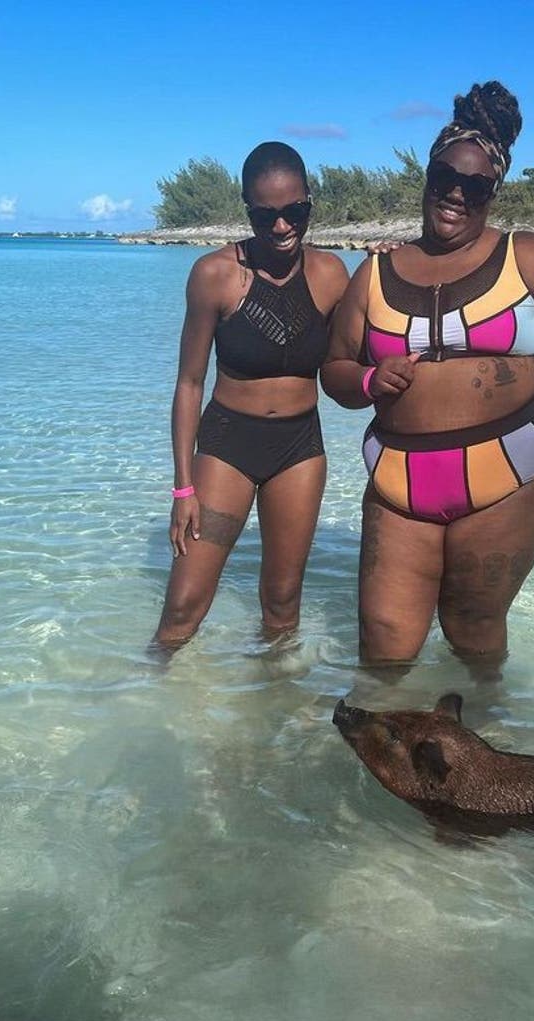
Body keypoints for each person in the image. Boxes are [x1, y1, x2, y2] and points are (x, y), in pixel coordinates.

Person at [322, 81, 534, 674]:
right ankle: (381, 733)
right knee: (383, 641)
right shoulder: (374, 272)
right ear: (427, 176)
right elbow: (335, 371)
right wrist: (369, 382)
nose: (456, 193)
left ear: (493, 192)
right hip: (398, 482)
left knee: (473, 631)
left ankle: (489, 728)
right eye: (445, 176)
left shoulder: (525, 256)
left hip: (510, 477)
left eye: (475, 186)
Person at [153, 142, 350, 650]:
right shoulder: (215, 275)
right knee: (183, 606)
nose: (282, 227)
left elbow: (354, 357)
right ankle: (148, 688)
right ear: (247, 211)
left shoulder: (331, 275)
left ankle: (278, 697)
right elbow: (189, 383)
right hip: (228, 446)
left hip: (299, 448)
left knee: (282, 603)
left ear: (309, 202)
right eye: (266, 217)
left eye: (295, 212)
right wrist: (182, 489)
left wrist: (387, 266)